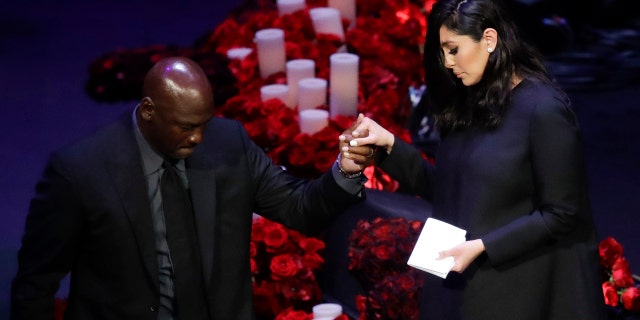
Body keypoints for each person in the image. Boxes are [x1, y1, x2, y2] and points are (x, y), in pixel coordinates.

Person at [11, 56, 374, 320]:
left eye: (204, 122)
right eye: (185, 127)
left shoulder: (228, 144)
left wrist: (346, 169)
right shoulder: (80, 170)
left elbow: (300, 207)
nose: (198, 136)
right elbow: (37, 280)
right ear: (149, 110)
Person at [341, 0, 608, 319]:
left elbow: (562, 213)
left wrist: (483, 246)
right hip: (460, 278)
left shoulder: (544, 110)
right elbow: (451, 191)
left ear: (490, 40)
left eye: (453, 49)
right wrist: (388, 146)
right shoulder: (470, 100)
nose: (447, 62)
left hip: (518, 288)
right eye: (442, 52)